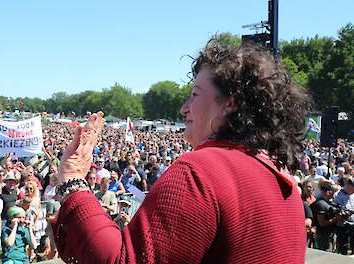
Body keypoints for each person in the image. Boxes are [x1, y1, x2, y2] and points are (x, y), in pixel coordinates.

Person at [52, 39, 309, 263]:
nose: (184, 107)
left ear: (231, 102)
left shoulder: (201, 171)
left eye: (195, 95)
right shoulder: (281, 179)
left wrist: (73, 183)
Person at [312, 181, 338, 251]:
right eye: (332, 191)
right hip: (323, 236)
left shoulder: (329, 202)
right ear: (328, 192)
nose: (333, 193)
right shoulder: (321, 204)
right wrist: (335, 219)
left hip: (330, 234)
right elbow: (322, 223)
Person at [332, 176, 354, 255]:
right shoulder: (337, 195)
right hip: (343, 226)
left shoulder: (353, 194)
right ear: (348, 186)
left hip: (353, 225)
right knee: (343, 248)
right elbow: (334, 210)